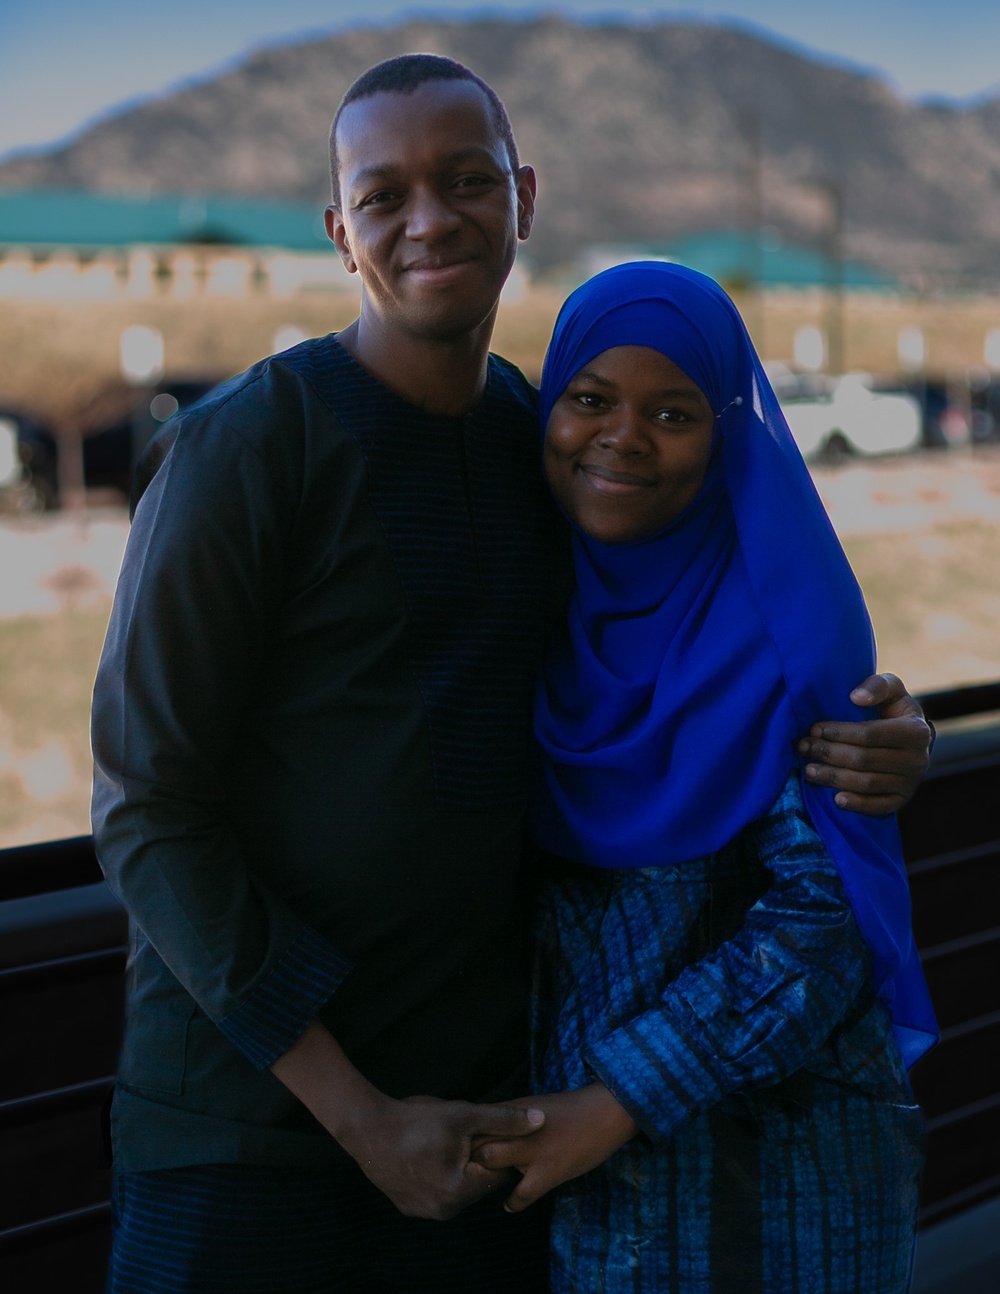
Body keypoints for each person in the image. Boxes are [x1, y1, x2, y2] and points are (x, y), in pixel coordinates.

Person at [91, 56, 933, 1293]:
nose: (429, 219)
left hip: (490, 1140)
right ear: (340, 231)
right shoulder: (246, 450)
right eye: (384, 196)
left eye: (467, 179)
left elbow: (691, 643)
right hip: (252, 1133)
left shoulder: (540, 445)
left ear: (524, 197)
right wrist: (357, 1111)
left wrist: (881, 730)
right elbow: (147, 809)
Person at [471, 262, 937, 1294]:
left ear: (726, 432)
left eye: (672, 412)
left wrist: (616, 1097)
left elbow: (827, 915)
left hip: (785, 1176)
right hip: (587, 1193)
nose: (622, 436)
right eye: (588, 399)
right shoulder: (525, 610)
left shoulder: (787, 632)